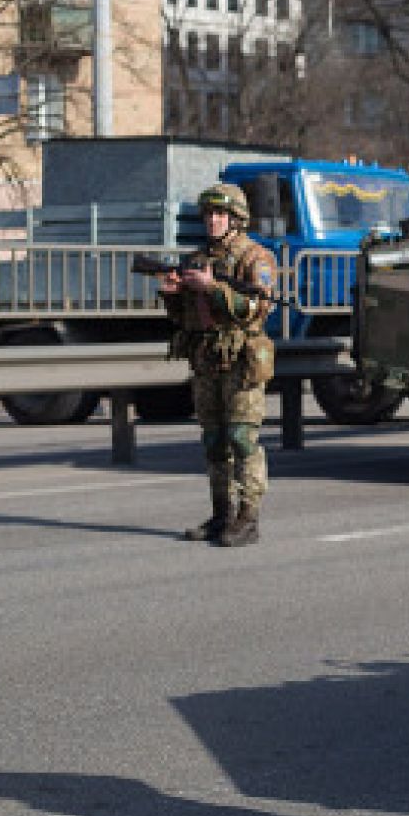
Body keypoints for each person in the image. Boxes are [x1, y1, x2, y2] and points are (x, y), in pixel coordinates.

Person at [159, 183, 278, 548]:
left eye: (220, 214)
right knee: (213, 440)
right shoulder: (197, 260)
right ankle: (221, 514)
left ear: (236, 219)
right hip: (207, 359)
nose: (213, 220)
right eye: (209, 214)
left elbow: (258, 307)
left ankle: (248, 518)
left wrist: (213, 288)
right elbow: (185, 317)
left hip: (241, 360)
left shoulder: (255, 258)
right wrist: (172, 295)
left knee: (242, 438)